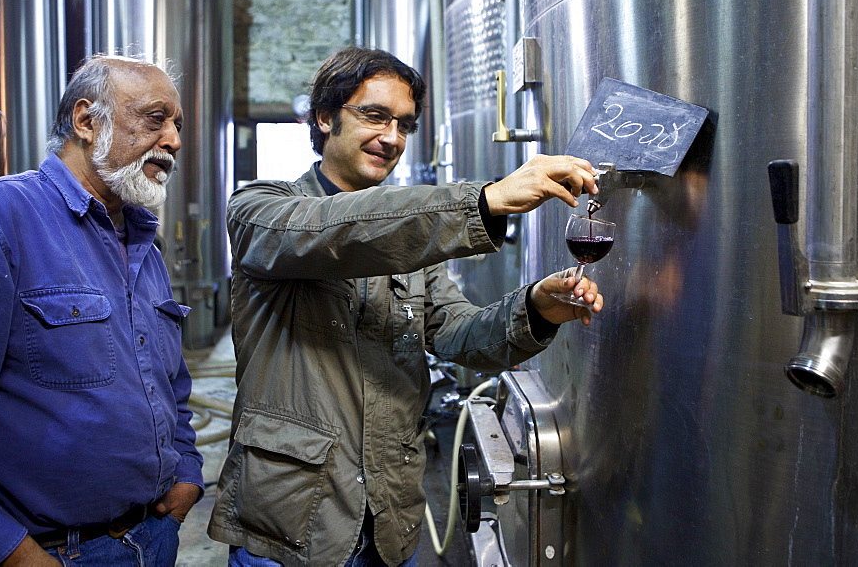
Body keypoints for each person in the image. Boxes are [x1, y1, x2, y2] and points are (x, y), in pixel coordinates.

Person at [207, 46, 603, 566]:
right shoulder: (260, 210)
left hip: (390, 519)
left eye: (405, 125)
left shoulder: (412, 242)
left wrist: (534, 309)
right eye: (374, 116)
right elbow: (337, 232)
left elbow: (458, 333)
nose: (392, 138)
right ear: (324, 118)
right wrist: (482, 202)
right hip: (291, 529)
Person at [0, 56, 203, 565]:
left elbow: (169, 384)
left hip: (154, 537)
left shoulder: (143, 240)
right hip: (53, 553)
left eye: (178, 125)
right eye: (155, 118)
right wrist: (6, 550)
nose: (173, 141)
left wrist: (187, 470)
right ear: (86, 121)